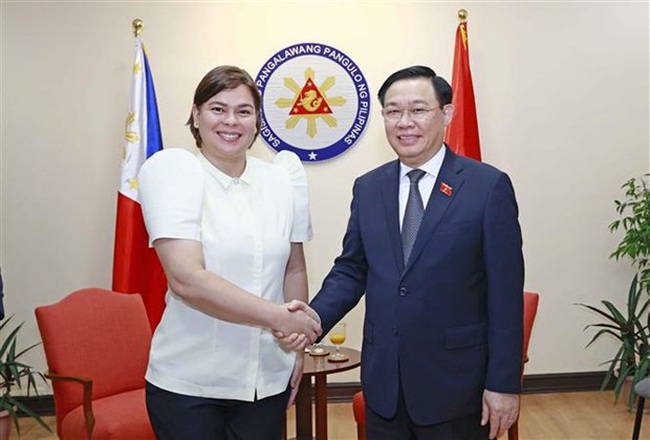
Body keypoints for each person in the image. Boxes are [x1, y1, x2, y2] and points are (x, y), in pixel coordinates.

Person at [289, 65, 524, 440]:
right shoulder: (369, 188)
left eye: (418, 110)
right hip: (385, 386)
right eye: (394, 111)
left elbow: (505, 295)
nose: (405, 122)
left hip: (456, 387)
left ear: (446, 113)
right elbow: (352, 270)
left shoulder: (486, 187)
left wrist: (503, 384)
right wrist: (312, 319)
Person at [138, 65, 321, 440]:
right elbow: (187, 280)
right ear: (196, 114)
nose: (231, 121)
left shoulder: (281, 180)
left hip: (266, 381)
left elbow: (293, 267)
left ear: (256, 121)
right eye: (218, 109)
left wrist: (296, 346)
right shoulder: (173, 172)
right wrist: (280, 319)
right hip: (191, 385)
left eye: (244, 111)